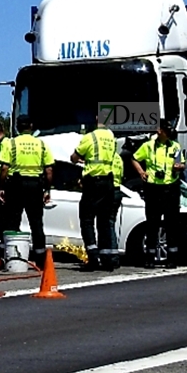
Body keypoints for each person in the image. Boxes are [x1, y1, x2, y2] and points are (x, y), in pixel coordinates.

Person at [0, 116, 54, 263]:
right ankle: (40, 259)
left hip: (16, 185)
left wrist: (2, 187)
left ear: (17, 127)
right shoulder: (41, 144)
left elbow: (4, 168)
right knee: (36, 223)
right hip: (35, 186)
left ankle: (14, 257)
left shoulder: (11, 143)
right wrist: (47, 190)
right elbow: (49, 171)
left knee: (13, 222)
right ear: (31, 125)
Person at [131, 121, 187, 269]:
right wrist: (141, 172)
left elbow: (181, 163)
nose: (168, 133)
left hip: (171, 187)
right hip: (153, 188)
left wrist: (179, 167)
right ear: (159, 131)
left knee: (171, 224)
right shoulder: (148, 145)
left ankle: (172, 259)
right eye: (166, 130)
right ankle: (149, 258)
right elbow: (134, 157)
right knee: (152, 224)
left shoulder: (175, 146)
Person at [71, 114, 118, 271]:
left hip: (93, 182)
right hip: (108, 182)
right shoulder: (111, 137)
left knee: (87, 219)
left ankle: (93, 258)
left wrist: (80, 160)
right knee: (104, 221)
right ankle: (107, 260)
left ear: (96, 118)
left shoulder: (89, 137)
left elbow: (74, 157)